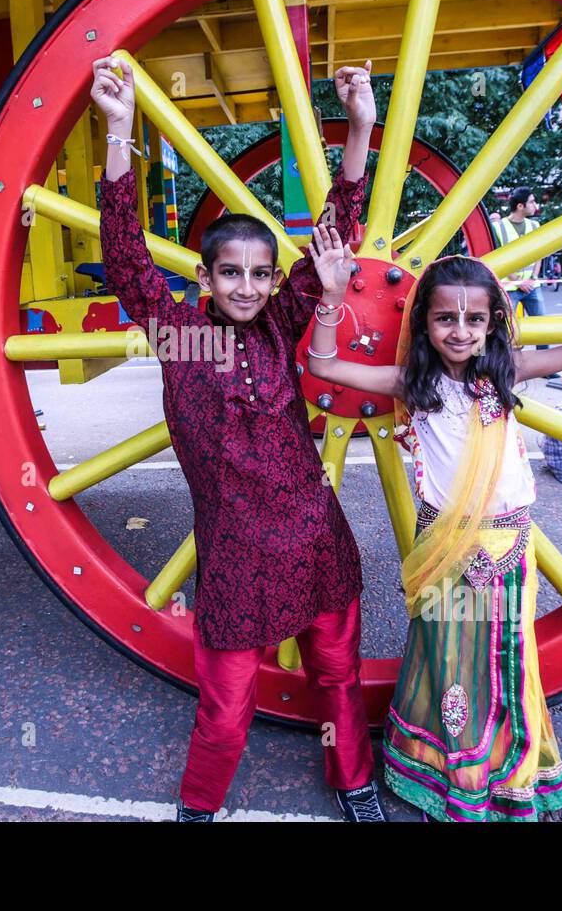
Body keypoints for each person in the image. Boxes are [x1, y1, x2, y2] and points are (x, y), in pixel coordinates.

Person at [92, 53, 385, 823]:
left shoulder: (285, 321)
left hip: (316, 540)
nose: (250, 288)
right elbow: (125, 257)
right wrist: (119, 132)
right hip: (232, 556)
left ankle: (354, 782)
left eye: (262, 274)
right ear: (205, 276)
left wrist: (359, 127)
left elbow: (336, 228)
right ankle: (199, 808)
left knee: (338, 678)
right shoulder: (180, 336)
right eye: (233, 274)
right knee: (225, 707)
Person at [305, 230, 562, 821]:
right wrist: (330, 295)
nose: (461, 331)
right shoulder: (412, 387)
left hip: (507, 544)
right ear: (423, 322)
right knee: (445, 657)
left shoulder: (508, 373)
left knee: (507, 655)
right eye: (446, 317)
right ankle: (449, 769)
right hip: (444, 544)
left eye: (476, 319)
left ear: (494, 323)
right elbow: (322, 364)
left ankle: (508, 771)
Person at [491, 188, 556, 371]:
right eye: (532, 201)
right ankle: (504, 366)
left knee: (541, 325)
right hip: (509, 286)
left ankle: (545, 367)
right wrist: (519, 281)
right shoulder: (498, 227)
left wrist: (533, 277)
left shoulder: (534, 226)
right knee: (504, 328)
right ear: (520, 206)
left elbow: (539, 253)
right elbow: (498, 257)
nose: (535, 205)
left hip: (531, 285)